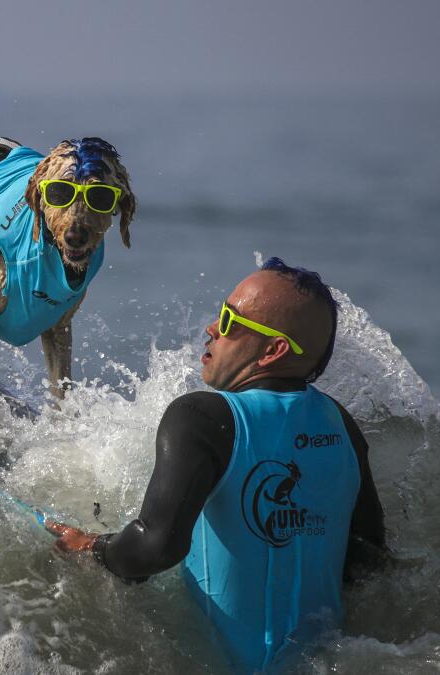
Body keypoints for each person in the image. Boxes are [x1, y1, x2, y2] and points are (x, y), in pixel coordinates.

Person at [45, 257, 387, 673]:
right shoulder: (343, 427)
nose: (212, 328)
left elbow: (155, 548)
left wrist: (92, 547)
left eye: (229, 320)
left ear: (273, 350)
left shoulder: (203, 417)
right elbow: (368, 558)